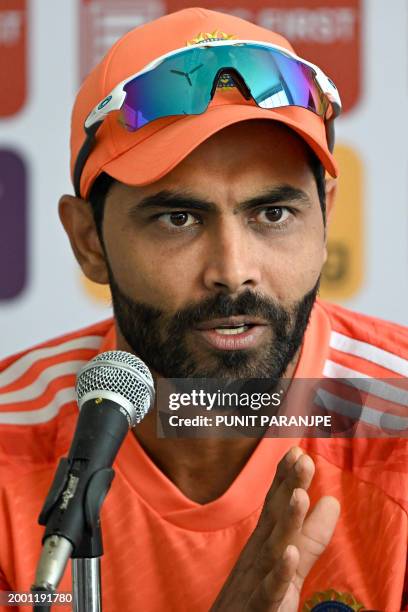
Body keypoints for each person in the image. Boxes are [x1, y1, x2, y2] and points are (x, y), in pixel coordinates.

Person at [0, 7, 407, 611]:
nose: (232, 269)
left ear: (325, 218)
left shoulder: (395, 419)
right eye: (178, 218)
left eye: (273, 214)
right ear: (89, 241)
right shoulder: (9, 437)